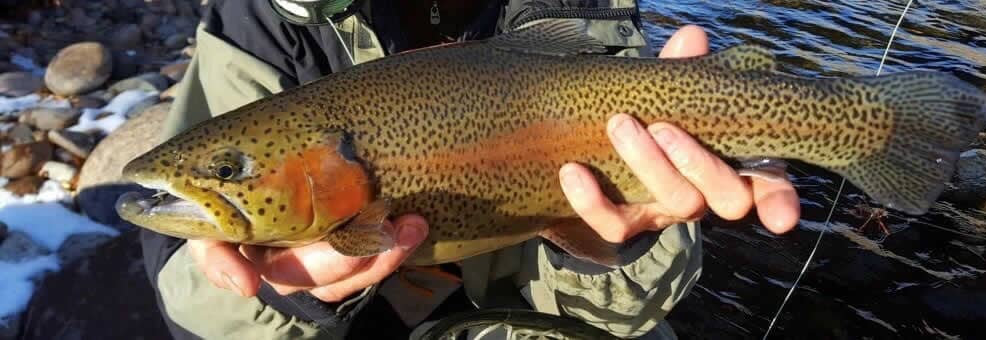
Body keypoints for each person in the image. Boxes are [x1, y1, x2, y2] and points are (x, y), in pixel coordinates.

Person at [139, 0, 802, 339]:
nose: (224, 179)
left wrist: (615, 248)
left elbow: (626, 314)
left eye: (230, 170)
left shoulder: (581, 5)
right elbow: (196, 307)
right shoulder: (265, 20)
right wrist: (282, 297)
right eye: (232, 169)